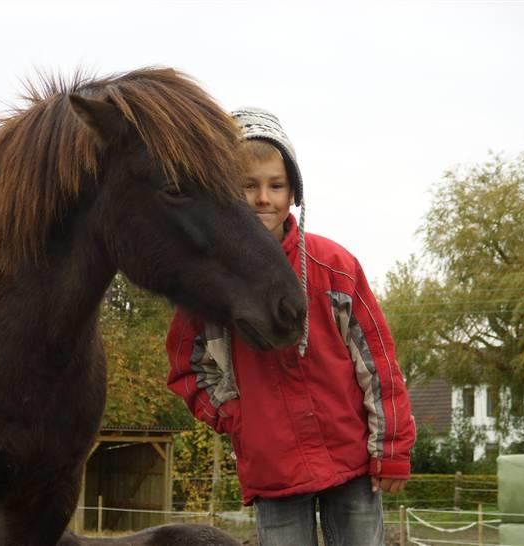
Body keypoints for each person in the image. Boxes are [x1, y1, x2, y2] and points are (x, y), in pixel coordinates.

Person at [166, 107, 415, 546]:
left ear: (294, 192)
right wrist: (238, 419)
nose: (263, 197)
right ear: (222, 193)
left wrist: (390, 447)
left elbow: (377, 362)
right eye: (247, 185)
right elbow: (187, 369)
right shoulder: (207, 285)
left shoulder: (333, 267)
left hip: (350, 459)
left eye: (276, 185)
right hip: (273, 468)